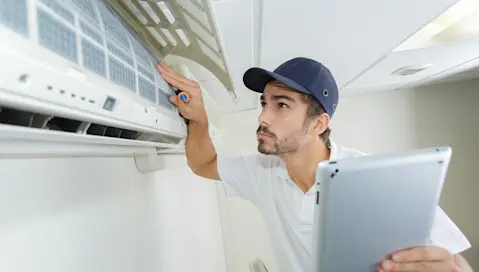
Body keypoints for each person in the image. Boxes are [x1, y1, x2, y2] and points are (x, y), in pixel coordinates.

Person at [157, 57, 473, 272]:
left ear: (319, 123)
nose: (263, 117)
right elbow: (203, 164)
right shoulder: (262, 172)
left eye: (282, 105)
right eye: (265, 103)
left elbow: (456, 261)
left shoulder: (379, 180)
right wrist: (198, 118)